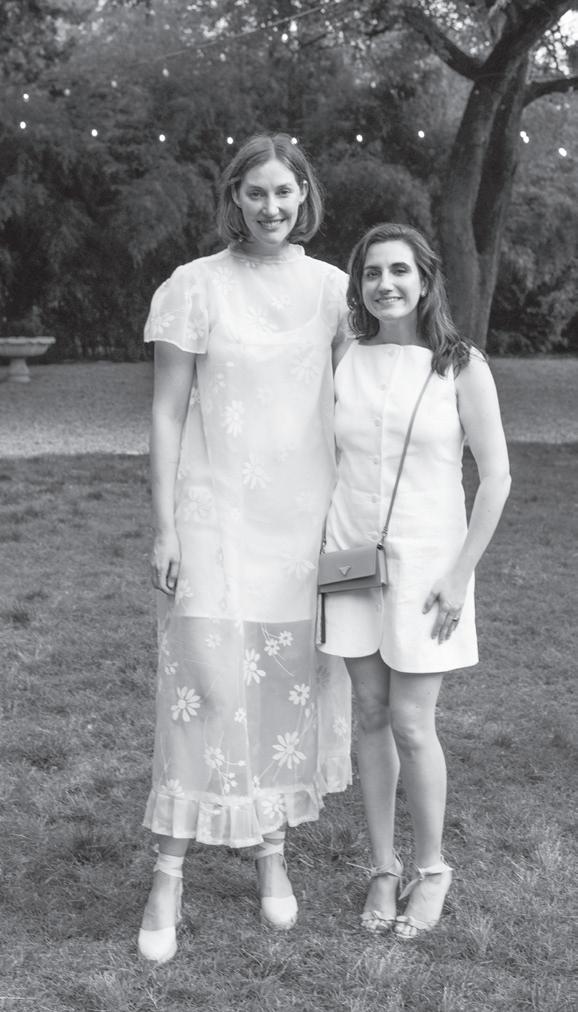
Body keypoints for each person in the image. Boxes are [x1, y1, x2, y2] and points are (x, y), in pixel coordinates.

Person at [137, 133, 352, 963]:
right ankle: (168, 873)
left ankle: (270, 849)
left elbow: (360, 402)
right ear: (235, 198)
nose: (271, 207)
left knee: (284, 686)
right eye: (255, 192)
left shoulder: (334, 292)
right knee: (204, 683)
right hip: (213, 512)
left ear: (304, 197)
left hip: (300, 523)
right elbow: (166, 412)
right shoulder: (193, 287)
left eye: (284, 192)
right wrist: (165, 524)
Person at [319, 222, 511, 940]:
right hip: (348, 558)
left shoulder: (462, 365)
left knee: (410, 721)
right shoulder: (346, 356)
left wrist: (461, 575)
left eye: (399, 270)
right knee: (369, 714)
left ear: (426, 280)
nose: (386, 284)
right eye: (372, 273)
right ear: (359, 285)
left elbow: (496, 478)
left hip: (431, 568)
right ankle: (382, 866)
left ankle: (431, 869)